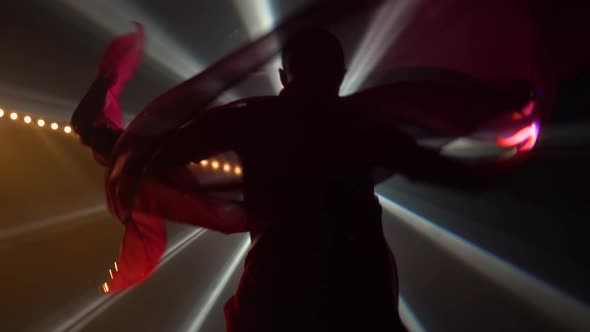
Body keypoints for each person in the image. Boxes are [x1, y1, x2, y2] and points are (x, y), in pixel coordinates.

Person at [73, 27, 530, 332]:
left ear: (281, 75)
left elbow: (159, 155)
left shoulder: (253, 119)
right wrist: (507, 156)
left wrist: (110, 138)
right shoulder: (359, 124)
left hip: (279, 290)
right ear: (341, 75)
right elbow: (440, 171)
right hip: (356, 291)